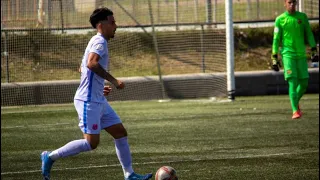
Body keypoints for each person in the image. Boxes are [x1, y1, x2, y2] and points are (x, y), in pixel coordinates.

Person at [40, 7, 153, 180]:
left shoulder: (96, 40)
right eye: (112, 22)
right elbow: (91, 64)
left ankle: (129, 174)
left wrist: (98, 88)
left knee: (120, 132)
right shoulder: (99, 42)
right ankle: (50, 156)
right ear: (101, 25)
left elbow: (82, 67)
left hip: (97, 99)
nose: (116, 26)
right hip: (88, 101)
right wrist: (114, 81)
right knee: (91, 143)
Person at [271, 0, 318, 119]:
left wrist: (313, 49)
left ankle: (295, 102)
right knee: (293, 82)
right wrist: (274, 57)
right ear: (285, 3)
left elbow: (309, 34)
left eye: (293, 3)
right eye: (289, 2)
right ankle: (295, 111)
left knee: (304, 83)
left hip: (301, 55)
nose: (292, 5)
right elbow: (276, 40)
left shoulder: (302, 17)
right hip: (288, 55)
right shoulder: (280, 19)